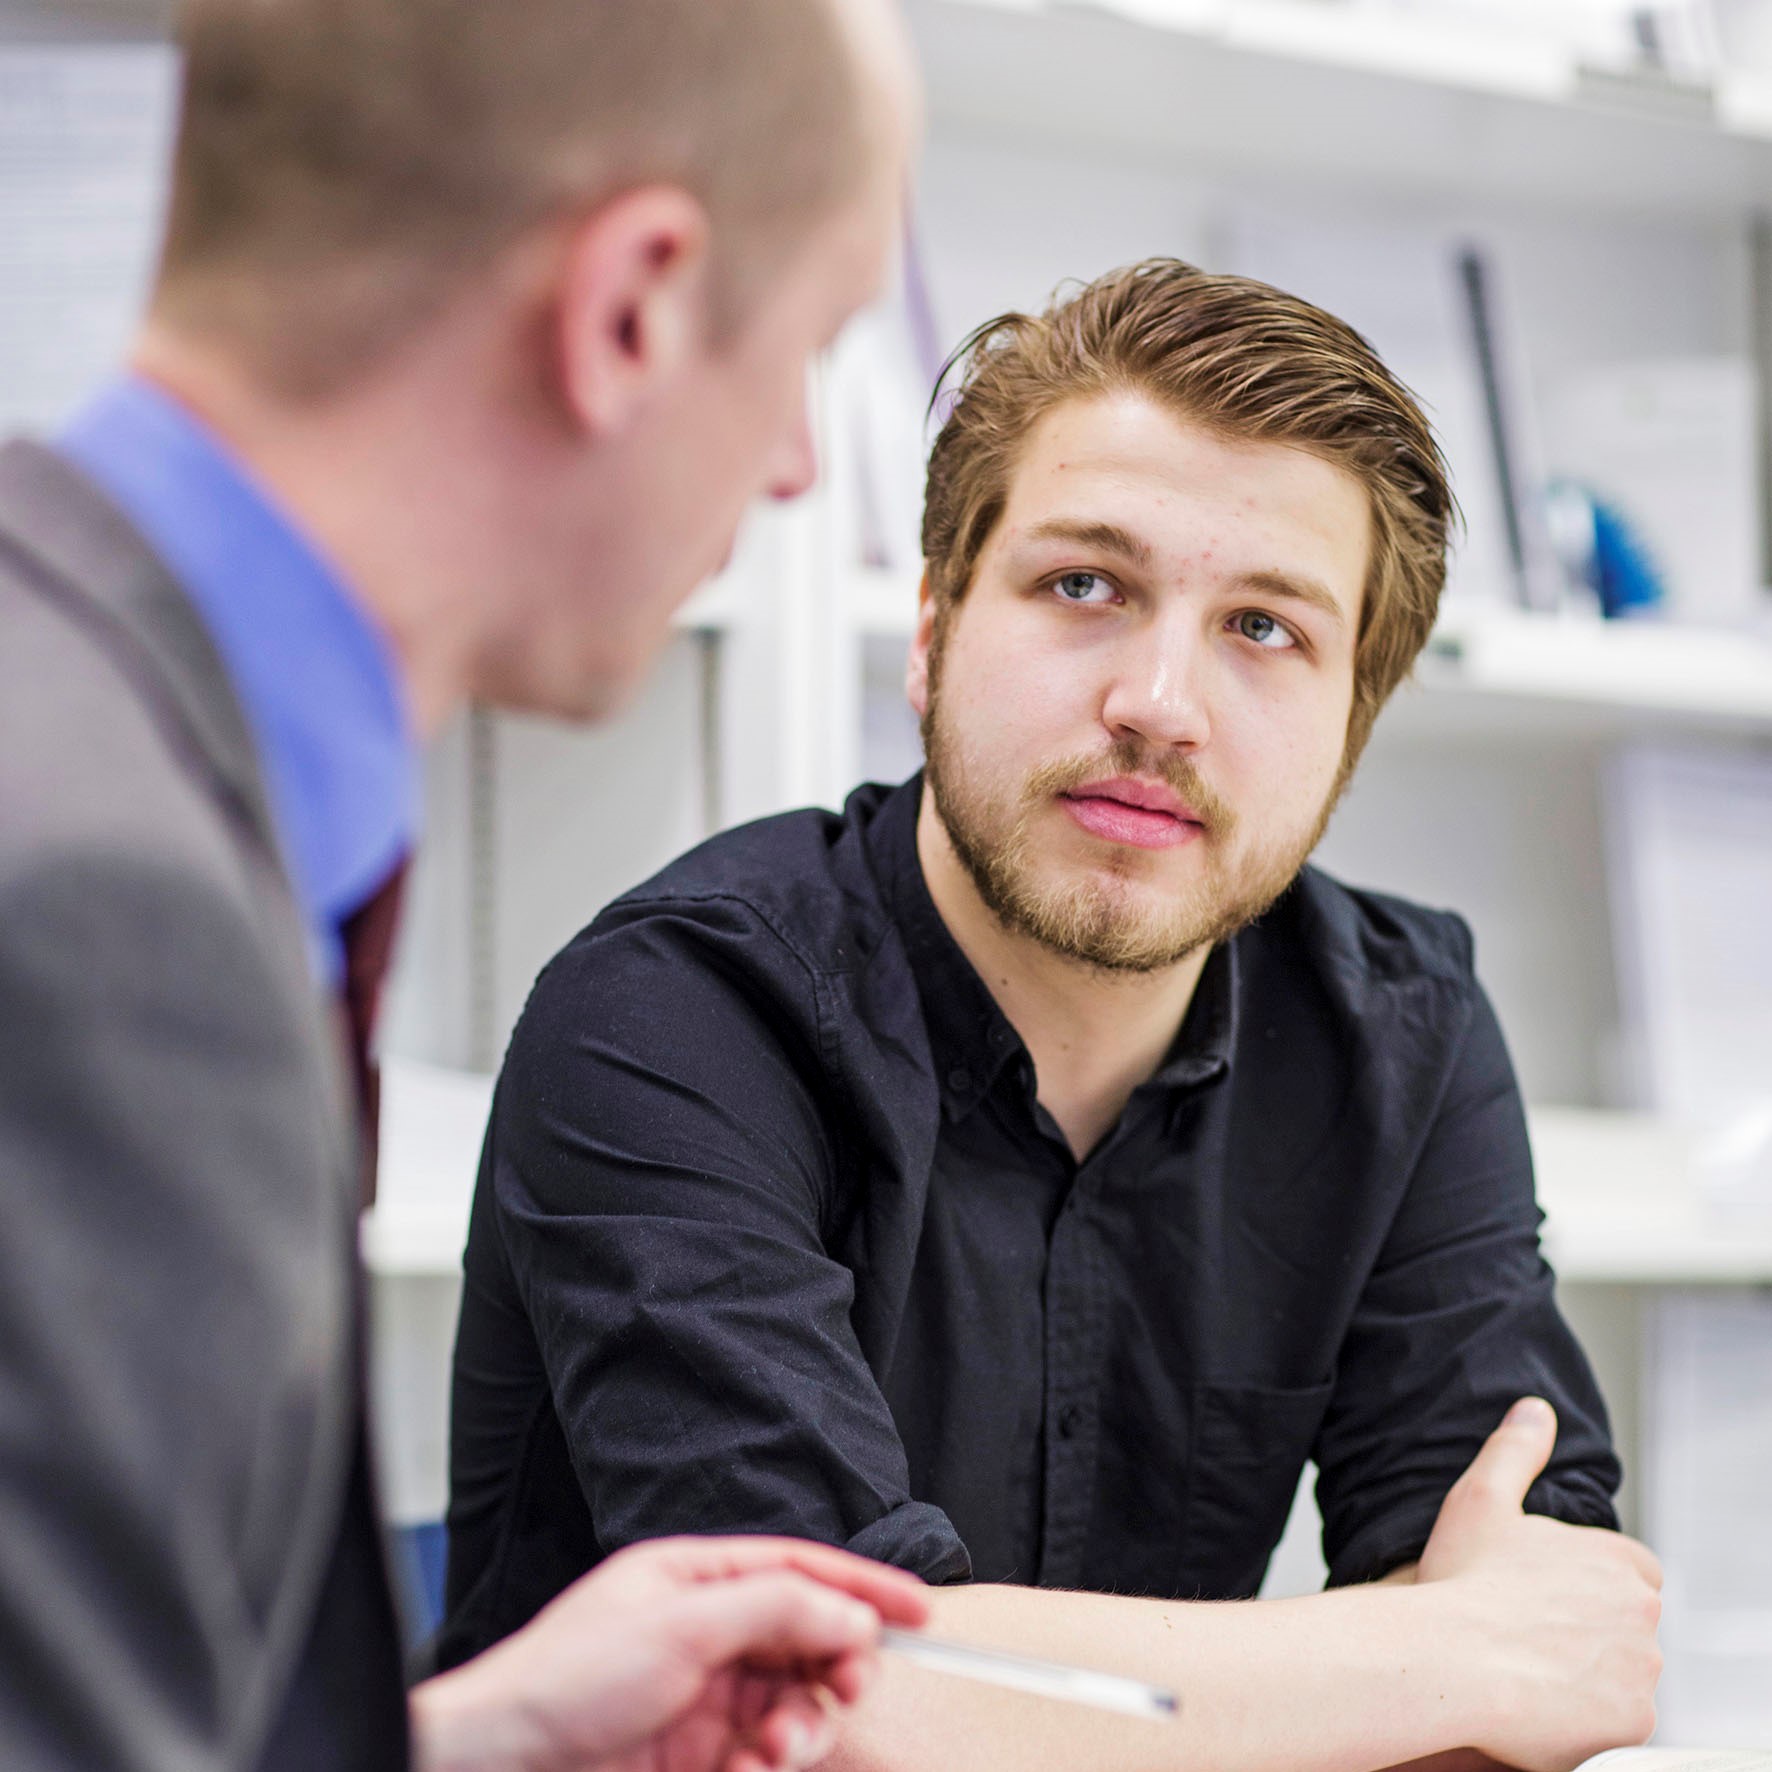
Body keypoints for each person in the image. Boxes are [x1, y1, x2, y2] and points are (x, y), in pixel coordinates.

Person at [440, 260, 1664, 1770]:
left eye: (1264, 628)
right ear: (934, 632)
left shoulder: (1400, 1032)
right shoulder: (671, 1016)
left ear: (1351, 733)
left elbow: (1544, 1658)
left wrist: (1462, 1662)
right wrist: (1439, 1656)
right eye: (1085, 585)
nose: (1160, 703)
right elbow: (820, 1706)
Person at [0, 2, 929, 1769]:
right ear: (631, 311)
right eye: (808, 348)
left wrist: (464, 1737)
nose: (798, 467)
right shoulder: (102, 916)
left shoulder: (82, 730)